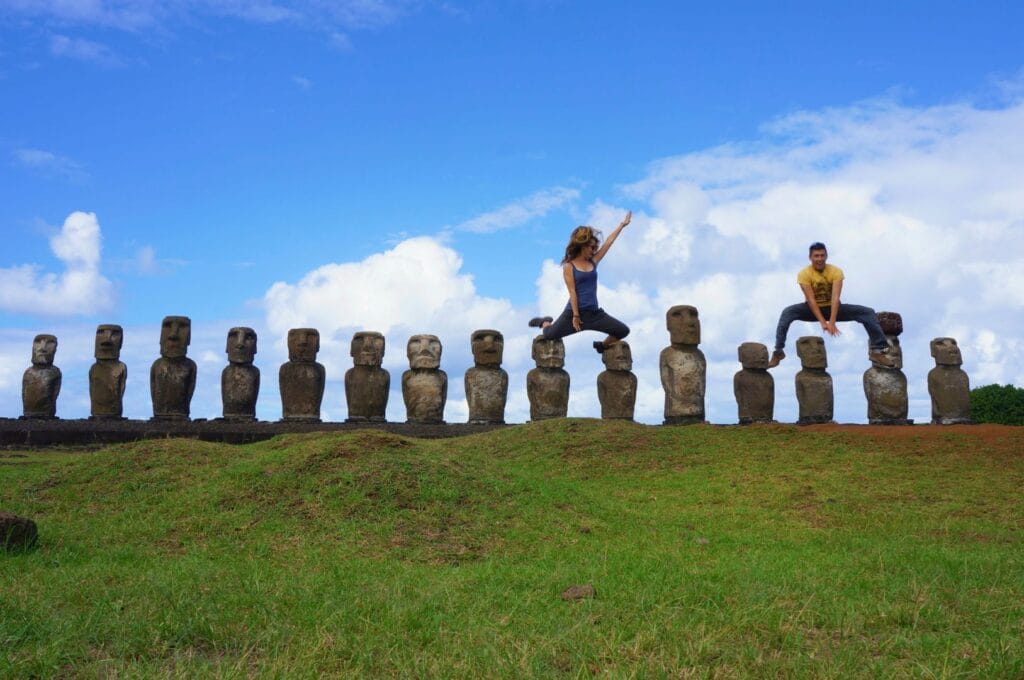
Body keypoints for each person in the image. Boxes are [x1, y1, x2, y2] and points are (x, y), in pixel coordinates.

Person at [768, 241, 894, 368]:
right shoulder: (804, 274)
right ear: (810, 257)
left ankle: (877, 351)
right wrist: (823, 323)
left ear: (826, 256)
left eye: (822, 255)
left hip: (833, 308)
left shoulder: (835, 271)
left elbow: (835, 298)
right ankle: (778, 351)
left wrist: (832, 322)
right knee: (787, 312)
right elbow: (811, 300)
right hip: (812, 309)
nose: (819, 259)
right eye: (816, 256)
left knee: (867, 312)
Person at [529, 212, 632, 353]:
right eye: (591, 247)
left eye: (595, 248)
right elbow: (572, 292)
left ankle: (602, 346)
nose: (594, 250)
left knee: (623, 330)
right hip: (573, 314)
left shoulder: (593, 262)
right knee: (549, 335)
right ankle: (544, 322)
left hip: (594, 314)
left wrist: (621, 226)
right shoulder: (569, 266)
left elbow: (609, 242)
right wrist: (576, 316)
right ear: (582, 245)